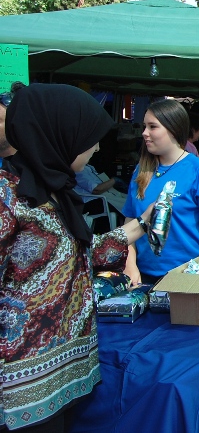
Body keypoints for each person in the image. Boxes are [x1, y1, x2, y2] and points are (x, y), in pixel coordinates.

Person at [1, 84, 155, 431]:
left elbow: (77, 255)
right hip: (20, 388)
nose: (98, 146)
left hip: (58, 381)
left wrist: (142, 225)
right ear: (59, 134)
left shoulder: (54, 193)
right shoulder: (7, 196)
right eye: (89, 137)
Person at [122, 99, 199, 284]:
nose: (144, 133)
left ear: (173, 129)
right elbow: (129, 226)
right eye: (144, 126)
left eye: (152, 127)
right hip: (143, 278)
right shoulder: (141, 171)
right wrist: (130, 265)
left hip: (188, 276)